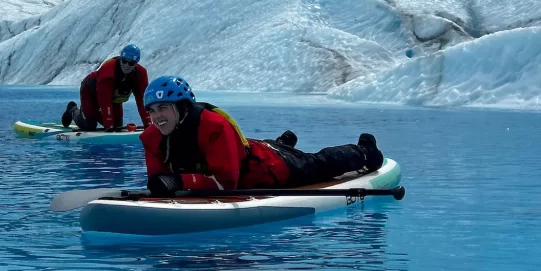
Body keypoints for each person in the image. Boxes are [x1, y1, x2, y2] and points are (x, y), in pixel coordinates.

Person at [139, 75, 384, 195]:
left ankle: (363, 151)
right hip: (247, 150)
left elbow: (226, 184)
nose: (157, 116)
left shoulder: (214, 125)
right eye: (152, 111)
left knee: (315, 164)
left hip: (265, 168)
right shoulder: (151, 138)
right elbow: (159, 180)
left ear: (181, 108)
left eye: (163, 108)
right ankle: (283, 143)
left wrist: (180, 182)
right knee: (278, 149)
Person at [61, 44, 150, 131]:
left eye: (131, 63)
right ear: (120, 59)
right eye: (124, 61)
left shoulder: (141, 74)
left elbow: (142, 100)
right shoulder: (108, 71)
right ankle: (73, 110)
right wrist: (109, 125)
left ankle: (92, 114)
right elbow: (105, 101)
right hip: (90, 91)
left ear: (136, 64)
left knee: (117, 126)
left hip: (113, 97)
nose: (126, 65)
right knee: (90, 125)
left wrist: (148, 124)